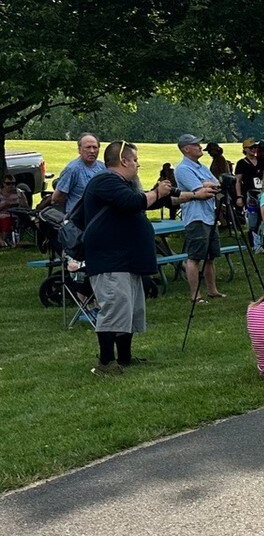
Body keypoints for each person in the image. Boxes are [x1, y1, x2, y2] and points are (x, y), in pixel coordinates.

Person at [73, 141, 172, 375]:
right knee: (114, 308)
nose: (137, 164)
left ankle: (125, 358)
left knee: (128, 310)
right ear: (124, 161)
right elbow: (132, 203)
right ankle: (106, 362)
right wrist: (156, 192)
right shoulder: (105, 181)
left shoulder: (118, 184)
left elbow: (134, 204)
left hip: (126, 260)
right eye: (135, 160)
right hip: (110, 260)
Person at [174, 134, 225, 303]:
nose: (200, 146)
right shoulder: (183, 169)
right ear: (186, 148)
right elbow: (199, 190)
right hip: (196, 217)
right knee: (195, 257)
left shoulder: (201, 167)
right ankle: (195, 295)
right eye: (195, 144)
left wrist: (208, 184)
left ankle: (212, 290)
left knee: (210, 257)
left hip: (210, 215)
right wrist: (206, 185)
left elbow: (216, 184)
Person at [52, 132, 105, 216]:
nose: (92, 151)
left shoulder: (103, 167)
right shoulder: (73, 169)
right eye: (88, 147)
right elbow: (56, 199)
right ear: (79, 149)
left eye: (95, 147)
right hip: (77, 218)